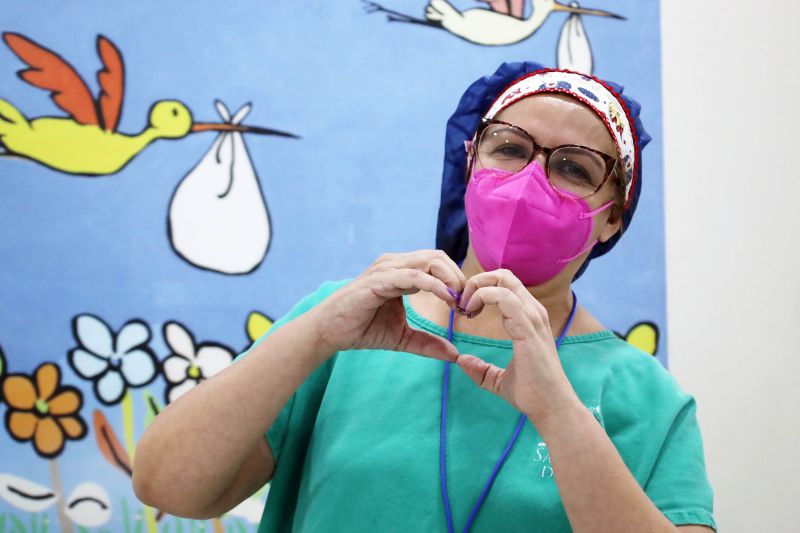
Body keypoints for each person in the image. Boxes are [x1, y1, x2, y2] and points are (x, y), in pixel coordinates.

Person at [133, 62, 716, 532]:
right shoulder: (349, 323)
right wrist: (313, 336)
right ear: (470, 162)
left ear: (612, 217)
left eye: (573, 167)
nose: (529, 181)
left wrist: (559, 414)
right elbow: (166, 485)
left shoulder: (648, 397)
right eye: (510, 149)